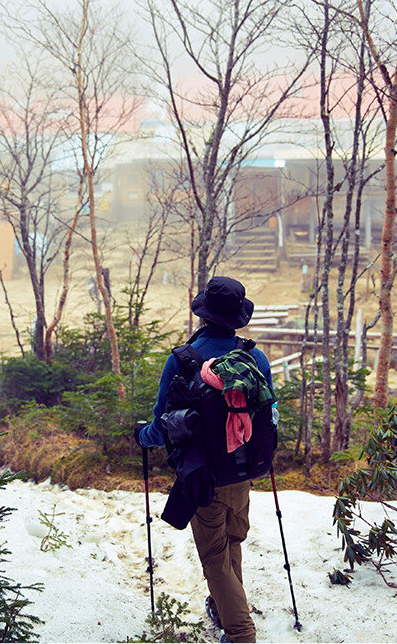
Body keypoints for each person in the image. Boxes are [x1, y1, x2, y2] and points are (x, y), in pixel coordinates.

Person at [133, 276, 274, 644]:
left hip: (202, 475)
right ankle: (225, 605)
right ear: (236, 316)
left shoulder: (182, 360)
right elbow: (270, 417)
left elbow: (163, 425)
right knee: (231, 543)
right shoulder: (254, 357)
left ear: (203, 315)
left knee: (214, 556)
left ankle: (240, 633)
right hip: (242, 472)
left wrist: (141, 437)